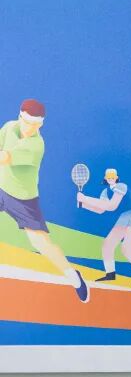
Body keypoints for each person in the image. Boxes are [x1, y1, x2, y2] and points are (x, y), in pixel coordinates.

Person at [0, 99, 89, 302]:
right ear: (19, 117)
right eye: (26, 122)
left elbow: (4, 158)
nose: (29, 127)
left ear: (41, 124)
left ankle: (73, 277)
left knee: (41, 243)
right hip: (1, 187)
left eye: (35, 124)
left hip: (23, 199)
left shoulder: (36, 145)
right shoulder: (9, 127)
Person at [77, 167, 131, 283]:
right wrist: (83, 204)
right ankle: (110, 274)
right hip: (124, 217)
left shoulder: (121, 186)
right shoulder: (105, 192)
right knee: (108, 244)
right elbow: (101, 209)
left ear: (116, 178)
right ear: (105, 178)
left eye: (113, 177)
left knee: (127, 248)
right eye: (109, 177)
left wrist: (85, 198)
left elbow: (112, 206)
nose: (111, 178)